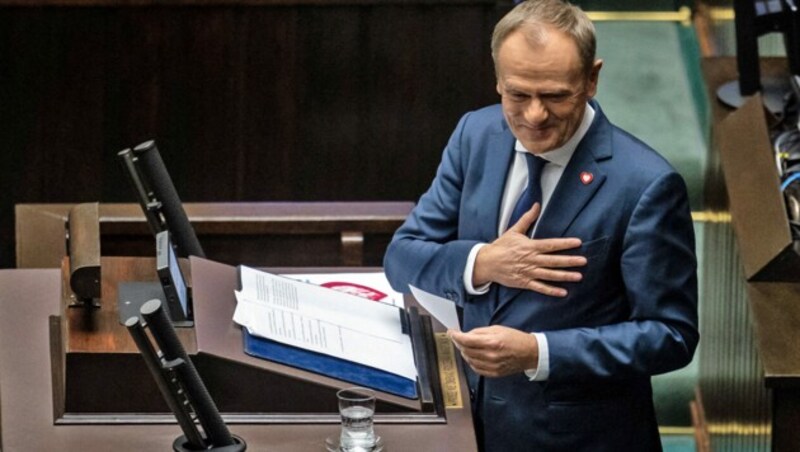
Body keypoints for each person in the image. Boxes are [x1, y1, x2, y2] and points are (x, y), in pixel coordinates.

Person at [382, 1, 699, 451]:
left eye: (554, 96)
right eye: (517, 95)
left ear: (592, 79)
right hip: (465, 423)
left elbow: (671, 335)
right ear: (497, 79)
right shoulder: (476, 135)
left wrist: (538, 352)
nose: (534, 116)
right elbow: (401, 259)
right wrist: (482, 263)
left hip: (578, 438)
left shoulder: (646, 184)